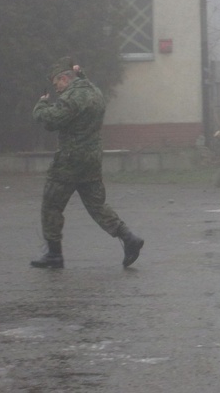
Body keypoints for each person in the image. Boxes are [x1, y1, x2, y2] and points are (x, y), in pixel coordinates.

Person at [30, 56, 144, 269]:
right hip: (91, 160)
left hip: (69, 161)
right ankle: (129, 238)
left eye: (57, 85)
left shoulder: (72, 98)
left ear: (64, 78)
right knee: (97, 206)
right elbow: (84, 86)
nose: (57, 91)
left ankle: (54, 255)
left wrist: (41, 104)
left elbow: (50, 120)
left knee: (51, 205)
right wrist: (82, 75)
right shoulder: (95, 91)